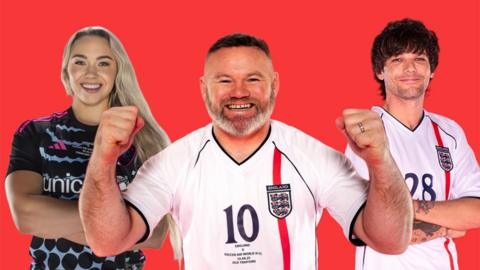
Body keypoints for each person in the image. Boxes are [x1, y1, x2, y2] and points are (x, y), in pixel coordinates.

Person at [79, 33, 413, 270]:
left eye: (253, 79)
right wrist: (103, 159)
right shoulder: (173, 163)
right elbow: (107, 242)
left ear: (275, 84)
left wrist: (380, 159)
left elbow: (390, 240)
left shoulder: (313, 156)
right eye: (224, 80)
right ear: (203, 88)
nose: (239, 92)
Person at [5, 26, 180, 270]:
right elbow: (26, 216)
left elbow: (155, 234)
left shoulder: (143, 138)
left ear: (118, 71)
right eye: (80, 62)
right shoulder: (36, 133)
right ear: (66, 71)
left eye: (103, 63)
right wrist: (119, 224)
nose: (90, 73)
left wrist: (55, 219)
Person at [345, 18, 480, 270]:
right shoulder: (366, 130)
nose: (410, 69)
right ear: (380, 71)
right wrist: (449, 226)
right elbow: (376, 232)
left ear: (432, 69)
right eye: (397, 60)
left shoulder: (450, 133)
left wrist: (405, 206)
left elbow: (476, 211)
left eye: (419, 59)